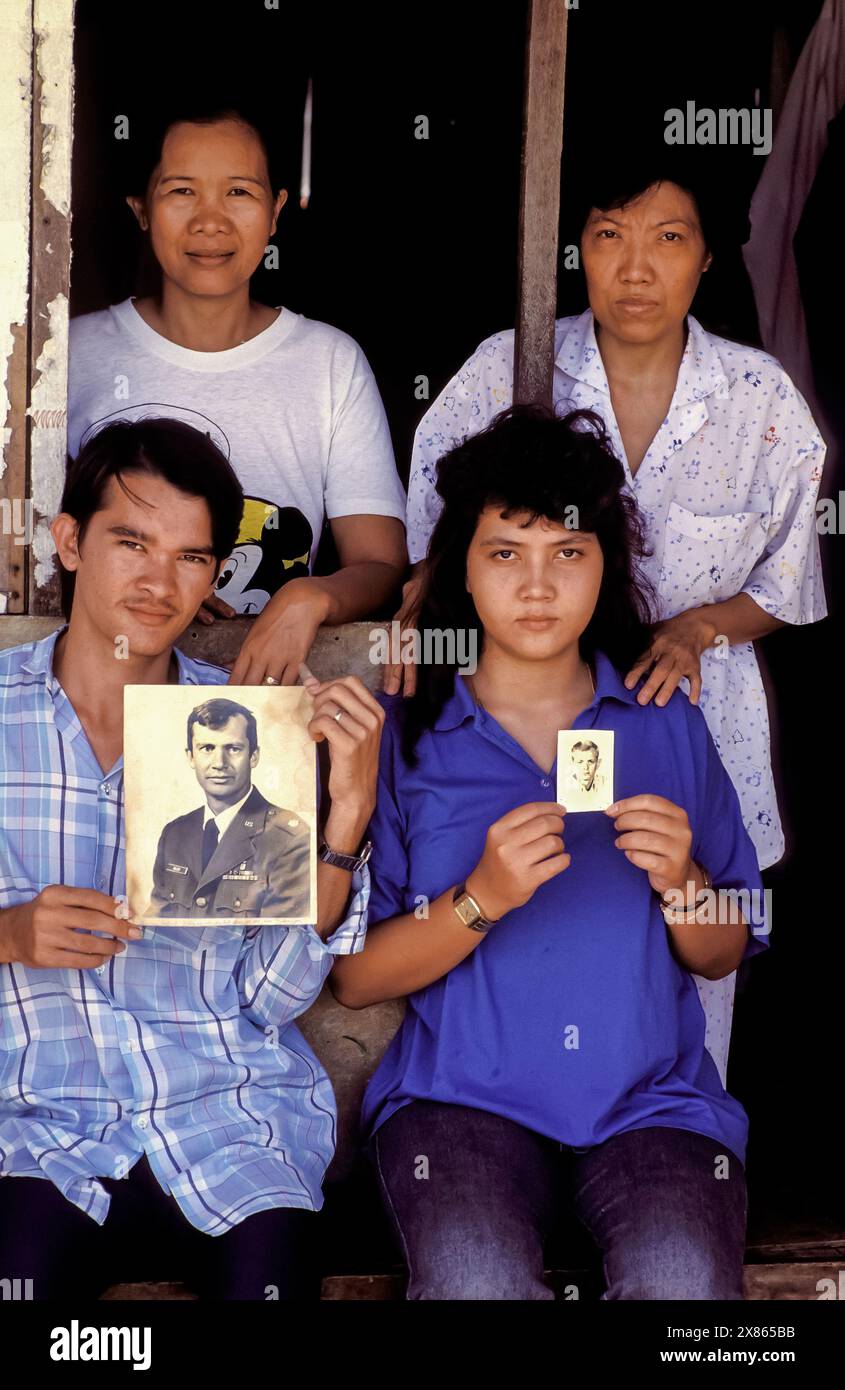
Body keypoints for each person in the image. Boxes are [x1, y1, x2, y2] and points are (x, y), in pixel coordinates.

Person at [391, 162, 825, 1082]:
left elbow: (788, 583)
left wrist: (700, 625)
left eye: (667, 238)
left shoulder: (759, 397)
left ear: (708, 257)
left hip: (696, 712)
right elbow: (434, 545)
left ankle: (672, 1156)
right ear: (574, 250)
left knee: (697, 950)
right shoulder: (506, 368)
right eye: (606, 236)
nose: (635, 267)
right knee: (539, 921)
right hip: (521, 723)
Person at [332, 408, 769, 1301]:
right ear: (458, 564)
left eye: (568, 552)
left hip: (653, 1106)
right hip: (459, 1109)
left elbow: (724, 952)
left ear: (605, 564)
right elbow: (355, 979)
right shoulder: (413, 738)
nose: (538, 585)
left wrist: (682, 883)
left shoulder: (660, 718)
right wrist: (479, 897)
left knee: (684, 1286)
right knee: (474, 1283)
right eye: (505, 553)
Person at [0, 418, 383, 1300]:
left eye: (191, 558)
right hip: (40, 1134)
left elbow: (271, 995)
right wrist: (11, 931)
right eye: (131, 542)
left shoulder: (247, 731)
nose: (158, 580)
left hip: (226, 1124)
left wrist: (347, 814)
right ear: (69, 541)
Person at [68, 99, 408, 685]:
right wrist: (154, 588)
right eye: (181, 191)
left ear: (276, 211)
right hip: (106, 690)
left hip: (269, 704)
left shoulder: (328, 362)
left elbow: (379, 564)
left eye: (239, 193)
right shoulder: (73, 356)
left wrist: (308, 597)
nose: (211, 221)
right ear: (140, 208)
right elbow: (49, 546)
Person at [147, 697, 311, 921]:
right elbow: (156, 922)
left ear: (254, 756)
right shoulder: (174, 834)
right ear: (191, 757)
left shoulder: (288, 838)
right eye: (207, 748)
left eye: (233, 749)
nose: (219, 763)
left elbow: (280, 935)